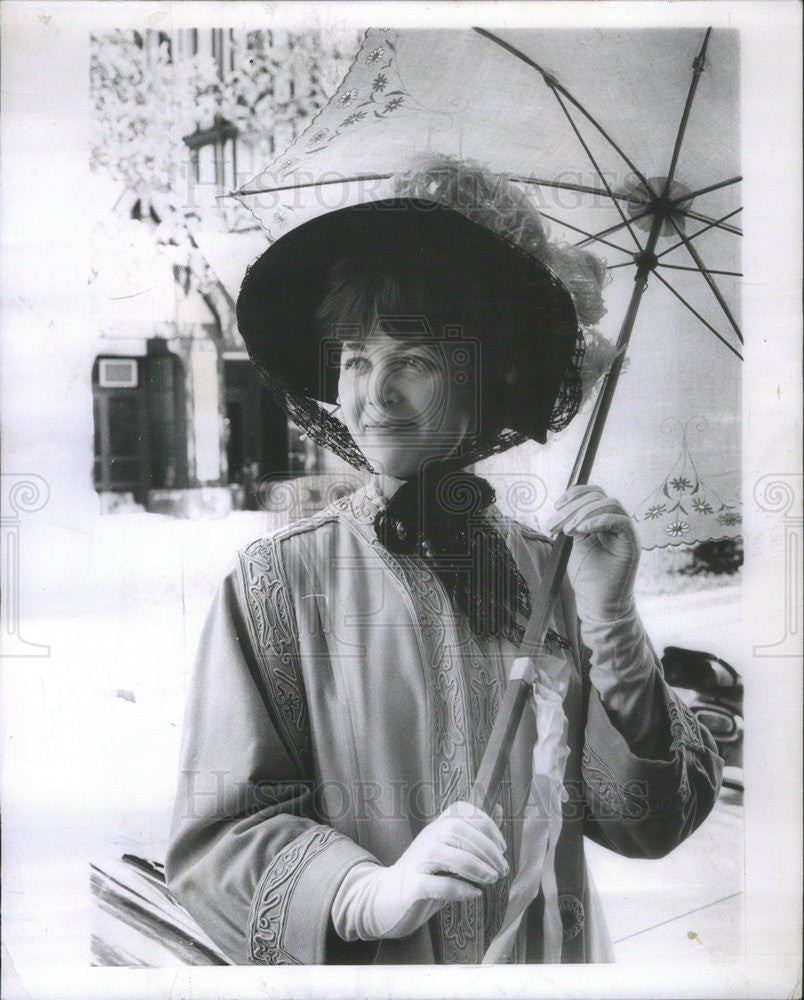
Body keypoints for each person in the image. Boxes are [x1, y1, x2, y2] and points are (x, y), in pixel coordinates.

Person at [166, 160, 723, 966]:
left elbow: (648, 822)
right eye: (356, 359)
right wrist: (369, 894)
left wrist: (610, 618)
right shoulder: (277, 585)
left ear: (482, 374)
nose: (375, 394)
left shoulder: (553, 570)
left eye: (414, 360)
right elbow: (218, 839)